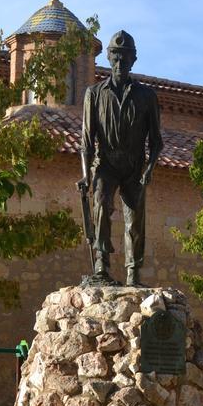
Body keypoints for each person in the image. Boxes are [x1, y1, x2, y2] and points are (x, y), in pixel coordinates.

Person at [79, 30, 163, 286]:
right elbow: (86, 141)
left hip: (134, 166)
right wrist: (85, 175)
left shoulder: (147, 97)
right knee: (102, 206)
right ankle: (101, 267)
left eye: (125, 59)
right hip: (105, 164)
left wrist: (149, 170)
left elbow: (156, 142)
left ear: (133, 61)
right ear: (108, 58)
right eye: (115, 58)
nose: (120, 64)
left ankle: (133, 275)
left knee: (135, 220)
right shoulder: (94, 94)